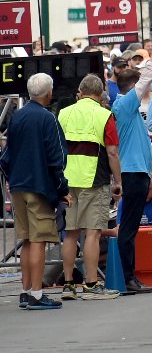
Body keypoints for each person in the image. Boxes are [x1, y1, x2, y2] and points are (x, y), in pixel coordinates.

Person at [2, 74, 70, 309]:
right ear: (49, 92)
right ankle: (38, 295)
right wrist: (62, 188)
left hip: (18, 185)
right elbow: (56, 157)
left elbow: (6, 156)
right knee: (40, 239)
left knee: (28, 239)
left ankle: (26, 290)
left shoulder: (17, 117)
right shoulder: (47, 118)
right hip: (39, 185)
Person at [55, 74, 123, 301]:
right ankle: (91, 284)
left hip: (67, 179)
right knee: (92, 233)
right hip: (94, 178)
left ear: (80, 91)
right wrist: (118, 181)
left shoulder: (63, 113)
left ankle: (68, 285)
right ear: (101, 92)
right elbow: (112, 152)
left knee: (70, 234)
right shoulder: (105, 115)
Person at [111, 60, 152, 295]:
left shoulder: (126, 107)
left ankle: (130, 278)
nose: (146, 90)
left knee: (130, 228)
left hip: (137, 172)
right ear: (132, 88)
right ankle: (128, 278)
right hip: (131, 174)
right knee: (129, 229)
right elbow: (148, 76)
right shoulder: (125, 104)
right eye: (139, 87)